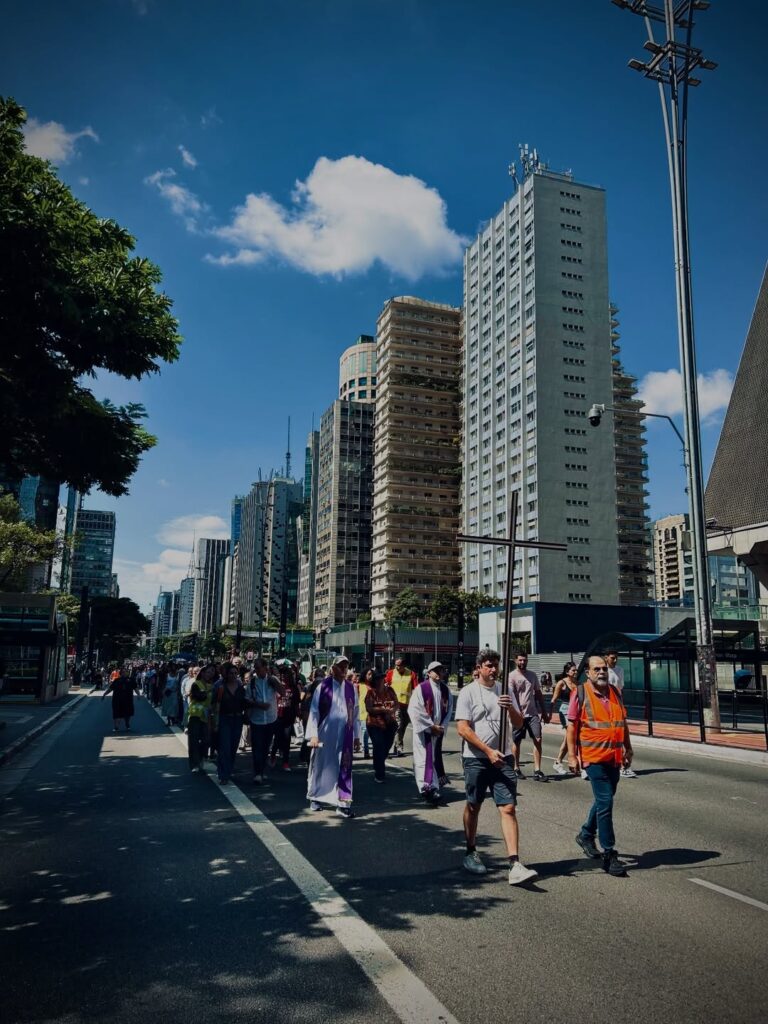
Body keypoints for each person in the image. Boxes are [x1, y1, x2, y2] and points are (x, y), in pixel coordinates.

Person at [455, 650, 538, 885]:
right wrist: (487, 751)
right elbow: (463, 728)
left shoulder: (504, 689)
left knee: (508, 807)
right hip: (476, 759)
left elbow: (519, 723)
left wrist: (510, 707)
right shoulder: (468, 692)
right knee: (474, 805)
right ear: (479, 667)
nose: (494, 670)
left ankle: (515, 863)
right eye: (489, 665)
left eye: (496, 666)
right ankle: (471, 851)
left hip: (503, 758)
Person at [566, 655, 634, 878]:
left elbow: (621, 723)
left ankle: (586, 834)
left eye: (604, 668)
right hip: (593, 758)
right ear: (588, 672)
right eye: (597, 669)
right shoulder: (581, 693)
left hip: (614, 757)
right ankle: (609, 852)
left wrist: (628, 748)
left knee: (605, 799)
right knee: (605, 801)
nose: (602, 672)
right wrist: (572, 757)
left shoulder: (615, 692)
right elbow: (572, 729)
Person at [306, 655, 360, 817]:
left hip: (345, 733)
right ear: (333, 668)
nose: (344, 669)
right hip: (325, 732)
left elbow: (355, 713)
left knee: (344, 766)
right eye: (340, 666)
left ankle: (343, 803)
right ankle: (316, 796)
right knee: (321, 764)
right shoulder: (323, 687)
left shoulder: (351, 688)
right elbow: (314, 711)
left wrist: (357, 736)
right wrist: (313, 735)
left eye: (346, 666)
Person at [407, 660, 453, 806]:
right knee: (423, 759)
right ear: (429, 673)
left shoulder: (446, 690)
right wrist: (430, 726)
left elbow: (449, 710)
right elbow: (414, 709)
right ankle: (427, 787)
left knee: (433, 758)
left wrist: (442, 727)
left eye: (441, 670)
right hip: (424, 731)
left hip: (437, 730)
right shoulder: (421, 689)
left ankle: (432, 788)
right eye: (436, 670)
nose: (440, 673)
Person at [509, 653, 548, 781]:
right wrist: (515, 711)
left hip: (532, 713)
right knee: (517, 741)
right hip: (518, 714)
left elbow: (538, 693)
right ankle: (516, 768)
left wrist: (544, 711)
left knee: (538, 738)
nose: (522, 662)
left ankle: (537, 770)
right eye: (520, 660)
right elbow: (511, 694)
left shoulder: (532, 675)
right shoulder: (512, 676)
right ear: (516, 661)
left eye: (525, 660)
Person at [246, 658, 284, 784]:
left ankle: (262, 770)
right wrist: (258, 705)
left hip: (270, 718)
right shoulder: (252, 682)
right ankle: (257, 773)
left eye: (258, 667)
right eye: (255, 668)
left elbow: (282, 693)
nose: (256, 670)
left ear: (265, 667)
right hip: (256, 719)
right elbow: (247, 700)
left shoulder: (272, 680)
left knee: (266, 747)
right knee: (257, 747)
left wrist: (276, 682)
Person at [212, 662, 247, 785]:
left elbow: (244, 702)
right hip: (224, 719)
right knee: (224, 747)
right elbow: (214, 704)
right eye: (231, 673)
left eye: (235, 673)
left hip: (237, 719)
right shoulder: (219, 686)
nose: (233, 675)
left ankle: (228, 769)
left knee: (233, 748)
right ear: (226, 674)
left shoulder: (240, 686)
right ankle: (223, 774)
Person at [605, 650, 637, 779]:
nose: (615, 660)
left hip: (617, 704)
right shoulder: (602, 671)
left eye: (616, 658)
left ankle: (625, 765)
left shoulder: (620, 670)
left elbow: (620, 688)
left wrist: (621, 706)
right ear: (606, 658)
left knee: (623, 734)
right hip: (606, 705)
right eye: (612, 658)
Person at [364, 671, 398, 783]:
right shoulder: (371, 693)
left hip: (390, 723)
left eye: (381, 678)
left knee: (386, 747)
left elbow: (396, 704)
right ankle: (379, 773)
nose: (379, 681)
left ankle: (378, 762)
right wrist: (383, 710)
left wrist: (391, 711)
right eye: (377, 679)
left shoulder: (390, 691)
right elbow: (369, 708)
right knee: (378, 745)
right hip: (374, 724)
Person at [269, 664, 300, 771]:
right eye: (281, 674)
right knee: (277, 739)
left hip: (288, 717)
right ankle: (273, 755)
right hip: (276, 716)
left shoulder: (294, 688)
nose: (283, 676)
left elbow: (296, 703)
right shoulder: (275, 687)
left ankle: (285, 762)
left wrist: (297, 714)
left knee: (287, 739)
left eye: (285, 674)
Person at [385, 656, 417, 756]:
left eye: (399, 665)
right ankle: (399, 748)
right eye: (395, 665)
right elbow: (385, 684)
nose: (396, 667)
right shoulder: (391, 673)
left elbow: (416, 689)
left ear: (404, 665)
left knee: (403, 726)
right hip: (395, 704)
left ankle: (396, 745)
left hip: (407, 704)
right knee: (398, 725)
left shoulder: (411, 674)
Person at [551, 662, 578, 775]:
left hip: (575, 710)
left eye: (576, 670)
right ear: (567, 672)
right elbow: (553, 699)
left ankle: (567, 762)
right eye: (573, 670)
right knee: (569, 737)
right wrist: (549, 714)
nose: (575, 672)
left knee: (571, 738)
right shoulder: (561, 683)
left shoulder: (577, 683)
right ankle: (558, 762)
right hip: (565, 710)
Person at [187, 664, 214, 773]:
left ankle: (202, 757)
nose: (209, 674)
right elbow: (200, 696)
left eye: (211, 672)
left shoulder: (212, 685)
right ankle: (194, 763)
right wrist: (208, 691)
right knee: (193, 740)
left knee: (206, 739)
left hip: (207, 716)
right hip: (195, 715)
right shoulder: (196, 684)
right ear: (202, 673)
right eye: (207, 672)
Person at [101, 666, 138, 732]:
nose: (124, 673)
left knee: (128, 713)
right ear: (120, 674)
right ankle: (116, 726)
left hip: (127, 700)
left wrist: (138, 694)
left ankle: (127, 723)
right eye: (123, 672)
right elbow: (110, 689)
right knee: (116, 713)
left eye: (126, 672)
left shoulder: (131, 680)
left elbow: (135, 688)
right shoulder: (117, 680)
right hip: (117, 700)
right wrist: (104, 694)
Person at [355, 669, 372, 759]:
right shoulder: (359, 686)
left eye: (371, 674)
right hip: (363, 712)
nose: (370, 676)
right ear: (364, 675)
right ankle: (366, 751)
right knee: (365, 731)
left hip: (373, 712)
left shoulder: (375, 686)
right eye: (369, 674)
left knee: (373, 733)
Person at [161, 662, 183, 726]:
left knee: (174, 706)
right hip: (167, 693)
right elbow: (164, 684)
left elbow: (179, 684)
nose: (173, 668)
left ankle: (173, 720)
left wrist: (179, 692)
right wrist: (163, 691)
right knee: (167, 706)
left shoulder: (178, 675)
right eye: (172, 667)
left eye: (174, 667)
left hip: (174, 693)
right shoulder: (167, 675)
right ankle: (168, 721)